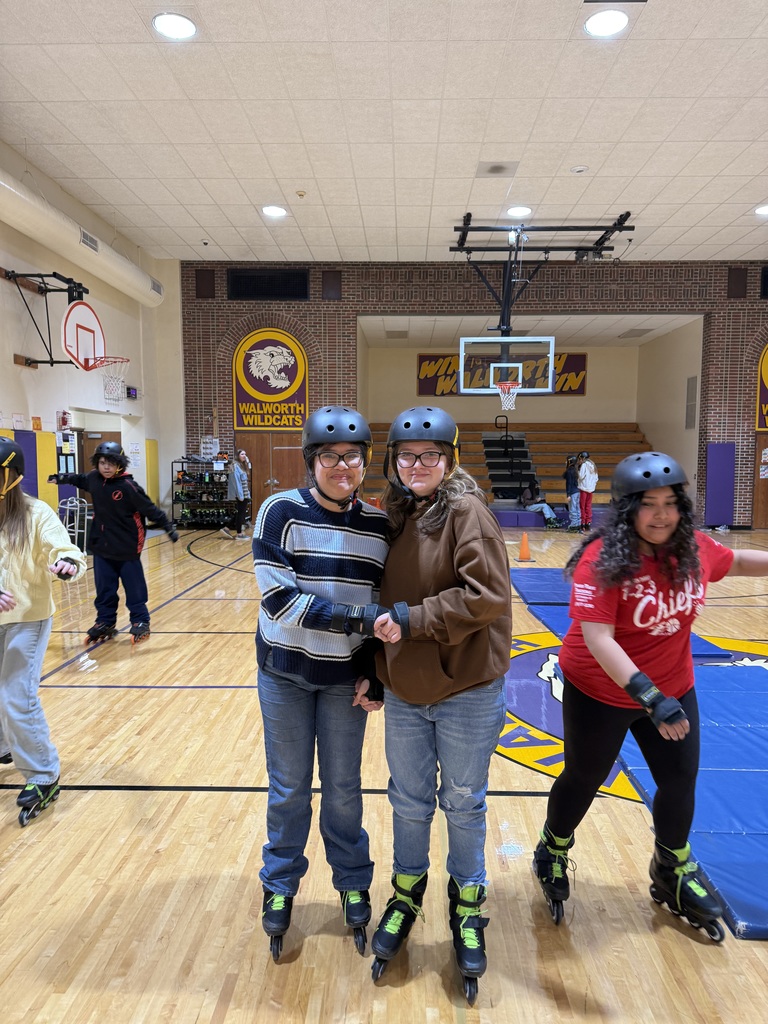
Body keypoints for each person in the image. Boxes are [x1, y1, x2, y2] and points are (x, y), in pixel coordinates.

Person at [532, 450, 768, 942]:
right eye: (648, 504)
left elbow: (740, 560)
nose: (661, 515)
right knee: (585, 776)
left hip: (673, 685)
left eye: (670, 503)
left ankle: (671, 867)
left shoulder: (694, 549)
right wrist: (650, 697)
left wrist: (663, 695)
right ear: (627, 509)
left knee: (680, 780)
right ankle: (552, 848)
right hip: (601, 688)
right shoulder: (602, 560)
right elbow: (599, 639)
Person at [368, 406, 511, 1004]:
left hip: (465, 690)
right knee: (407, 801)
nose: (417, 464)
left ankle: (467, 903)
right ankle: (406, 894)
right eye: (407, 456)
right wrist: (377, 672)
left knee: (463, 801)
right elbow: (380, 600)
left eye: (430, 455)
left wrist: (413, 619)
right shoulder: (398, 515)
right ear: (394, 463)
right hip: (407, 689)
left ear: (450, 460)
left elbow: (488, 595)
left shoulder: (466, 511)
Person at [252, 406, 390, 961]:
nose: (341, 466)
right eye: (329, 456)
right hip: (284, 673)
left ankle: (352, 879)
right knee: (289, 787)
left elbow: (382, 603)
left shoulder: (380, 527)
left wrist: (374, 670)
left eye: (352, 457)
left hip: (343, 680)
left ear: (365, 463)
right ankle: (280, 884)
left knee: (343, 788)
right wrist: (363, 621)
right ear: (311, 461)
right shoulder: (279, 512)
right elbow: (280, 603)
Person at [0, 439, 87, 826]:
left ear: (13, 476)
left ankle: (42, 774)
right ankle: (5, 745)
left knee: (16, 696)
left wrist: (67, 563)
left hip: (28, 618)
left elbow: (63, 548)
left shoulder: (36, 513)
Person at [48, 441, 178, 645]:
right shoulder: (94, 479)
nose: (106, 467)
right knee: (104, 589)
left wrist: (168, 528)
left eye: (111, 463)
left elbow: (150, 509)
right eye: (102, 463)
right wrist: (61, 478)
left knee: (134, 588)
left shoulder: (128, 487)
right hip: (102, 546)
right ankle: (105, 621)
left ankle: (140, 620)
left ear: (119, 464)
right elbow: (80, 479)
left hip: (127, 547)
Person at [220, 449, 251, 540]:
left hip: (244, 493)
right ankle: (239, 534)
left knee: (240, 513)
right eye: (242, 454)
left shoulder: (242, 466)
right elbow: (237, 483)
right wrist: (240, 495)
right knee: (241, 514)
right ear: (238, 456)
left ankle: (226, 528)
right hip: (241, 494)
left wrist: (247, 462)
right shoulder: (236, 466)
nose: (244, 456)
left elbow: (245, 481)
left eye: (245, 454)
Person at [577, 450, 599, 532]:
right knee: (588, 506)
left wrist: (578, 471)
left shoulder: (584, 465)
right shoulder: (593, 465)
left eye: (579, 459)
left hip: (583, 489)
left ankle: (582, 523)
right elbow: (596, 478)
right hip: (591, 490)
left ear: (582, 458)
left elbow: (581, 476)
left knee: (582, 506)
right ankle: (588, 522)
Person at [563, 455, 581, 532]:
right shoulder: (575, 470)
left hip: (573, 492)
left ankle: (574, 525)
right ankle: (578, 524)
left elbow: (569, 484)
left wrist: (568, 494)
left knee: (572, 509)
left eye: (566, 461)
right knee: (577, 508)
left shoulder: (569, 471)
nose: (565, 462)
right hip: (577, 491)